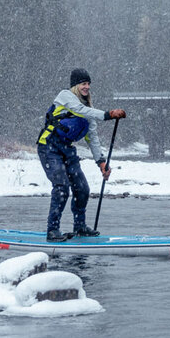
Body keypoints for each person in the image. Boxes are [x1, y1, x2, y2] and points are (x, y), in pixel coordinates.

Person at [37, 68, 125, 241]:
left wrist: (101, 162)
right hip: (49, 147)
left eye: (88, 84)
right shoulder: (65, 96)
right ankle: (52, 230)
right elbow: (79, 110)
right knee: (62, 187)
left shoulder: (89, 109)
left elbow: (92, 138)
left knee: (82, 189)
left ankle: (80, 227)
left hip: (67, 149)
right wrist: (107, 115)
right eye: (83, 84)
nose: (87, 87)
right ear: (76, 85)